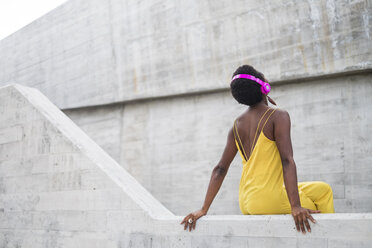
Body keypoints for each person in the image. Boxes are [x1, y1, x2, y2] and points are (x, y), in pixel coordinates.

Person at [180, 65, 335, 234]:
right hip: (268, 199)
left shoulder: (236, 126)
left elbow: (220, 169)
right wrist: (296, 206)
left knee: (322, 190)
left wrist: (203, 209)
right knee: (316, 210)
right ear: (264, 87)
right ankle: (330, 237)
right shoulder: (278, 116)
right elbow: (287, 160)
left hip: (246, 200)